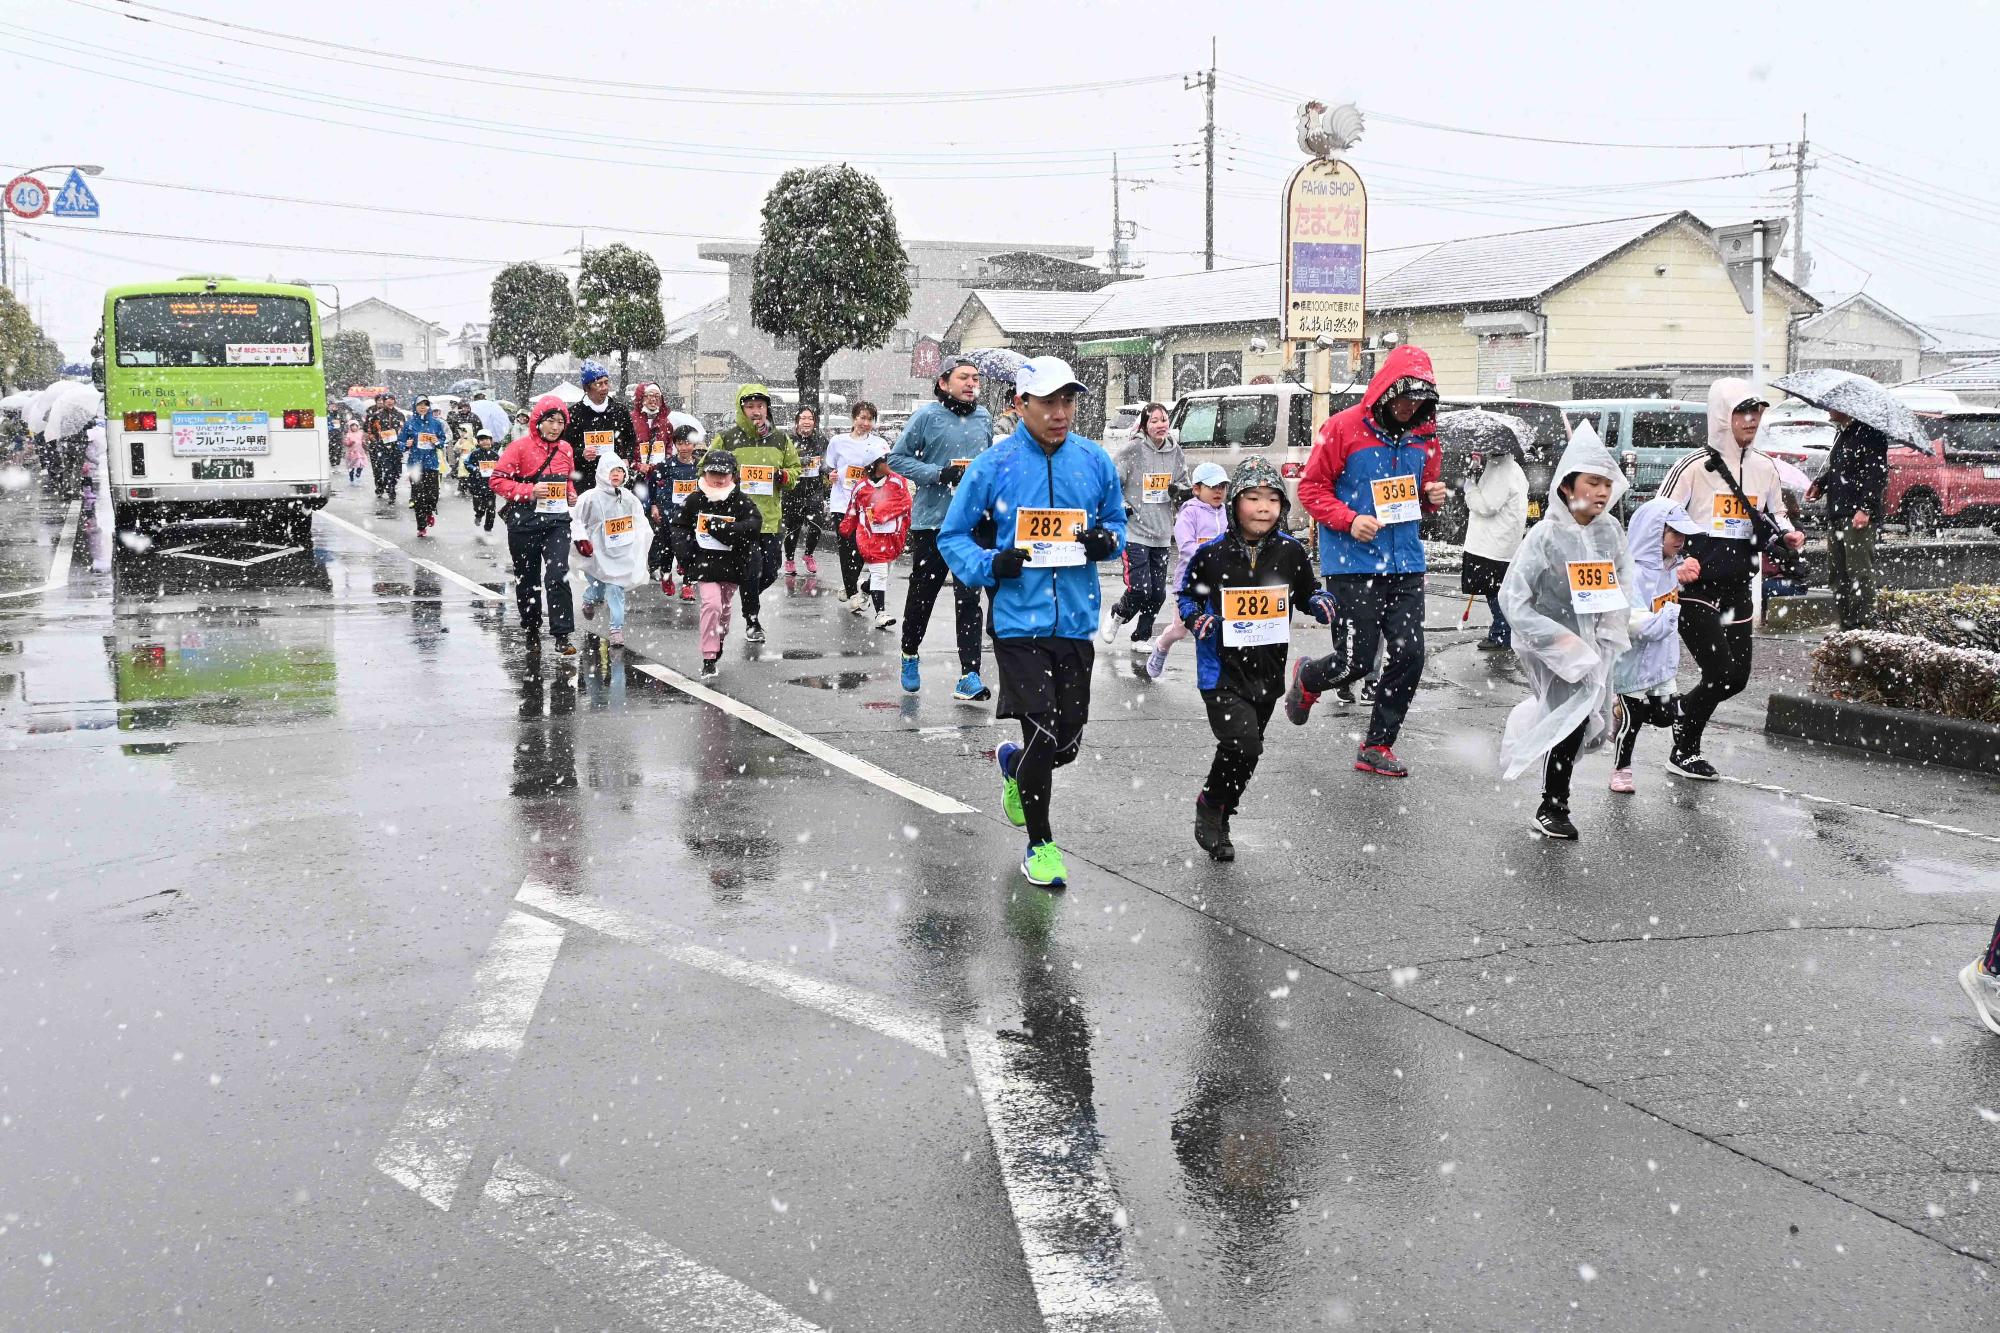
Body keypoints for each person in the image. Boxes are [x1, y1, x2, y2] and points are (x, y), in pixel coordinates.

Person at [940, 356, 1125, 890]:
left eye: (1068, 400)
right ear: (1020, 405)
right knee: (1044, 732)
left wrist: (1106, 541)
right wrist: (989, 565)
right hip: (1019, 622)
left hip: (1075, 620)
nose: (1060, 412)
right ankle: (1041, 846)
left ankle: (1013, 764)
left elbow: (1116, 524)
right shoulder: (993, 466)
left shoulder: (1093, 461)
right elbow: (954, 536)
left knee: (1066, 744)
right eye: (1048, 402)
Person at [1284, 345, 1448, 778]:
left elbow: (1421, 491)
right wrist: (1349, 519)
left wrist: (1432, 496)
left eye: (1417, 399)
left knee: (1410, 655)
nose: (1408, 406)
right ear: (1384, 389)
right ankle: (1308, 679)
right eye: (1402, 396)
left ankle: (1377, 745)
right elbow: (1311, 489)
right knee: (1355, 660)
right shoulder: (1342, 428)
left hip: (1406, 562)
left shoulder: (1426, 436)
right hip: (1352, 563)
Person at [1175, 457, 1333, 861]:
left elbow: (1305, 592)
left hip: (1266, 672)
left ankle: (1223, 815)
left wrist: (1318, 602)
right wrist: (1200, 618)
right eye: (1253, 497)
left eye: (1273, 499)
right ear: (1234, 504)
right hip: (1220, 670)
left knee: (1248, 751)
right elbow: (1188, 599)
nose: (1264, 507)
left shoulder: (1291, 552)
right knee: (1242, 744)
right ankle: (1210, 805)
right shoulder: (1211, 555)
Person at [1496, 424, 1637, 840]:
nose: (1601, 492)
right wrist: (1554, 640)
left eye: (1607, 484)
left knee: (1591, 724)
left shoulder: (1610, 531)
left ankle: (1550, 784)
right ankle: (1552, 806)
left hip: (1597, 644)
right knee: (1571, 720)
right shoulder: (1545, 536)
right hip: (1555, 647)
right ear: (1566, 484)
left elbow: (1623, 579)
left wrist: (1612, 628)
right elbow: (1514, 598)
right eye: (1592, 481)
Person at [1659, 378, 1804, 780]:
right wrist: (1678, 559)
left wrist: (1789, 533)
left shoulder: (1765, 468)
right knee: (1719, 671)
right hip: (1696, 587)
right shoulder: (1691, 467)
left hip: (1739, 585)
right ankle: (1685, 744)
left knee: (1736, 679)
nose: (1752, 419)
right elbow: (1658, 520)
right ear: (1723, 415)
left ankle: (1679, 715)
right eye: (1743, 411)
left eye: (1757, 412)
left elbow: (1777, 515)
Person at [890, 357, 996, 699]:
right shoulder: (926, 417)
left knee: (969, 599)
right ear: (943, 382)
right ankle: (909, 652)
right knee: (923, 595)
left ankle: (969, 674)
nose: (971, 383)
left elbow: (987, 464)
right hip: (933, 521)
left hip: (972, 524)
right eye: (963, 377)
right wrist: (938, 474)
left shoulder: (984, 418)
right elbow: (897, 459)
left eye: (975, 378)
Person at [1609, 496, 1703, 793]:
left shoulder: (1670, 568)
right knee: (1633, 722)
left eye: (1683, 533)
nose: (1681, 540)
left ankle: (1617, 713)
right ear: (1654, 532)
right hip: (1633, 662)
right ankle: (1621, 770)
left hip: (1661, 660)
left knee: (1667, 715)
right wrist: (1671, 614)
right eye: (1673, 532)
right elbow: (1634, 622)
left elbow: (1665, 608)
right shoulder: (1632, 573)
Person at [490, 394, 580, 658]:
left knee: (558, 574)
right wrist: (528, 490)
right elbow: (497, 481)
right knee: (527, 579)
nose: (555, 427)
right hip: (524, 522)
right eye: (550, 421)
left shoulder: (565, 448)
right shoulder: (518, 447)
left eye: (560, 422)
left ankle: (562, 634)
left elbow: (567, 480)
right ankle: (531, 627)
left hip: (557, 523)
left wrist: (571, 493)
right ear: (538, 421)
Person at [708, 384, 798, 644]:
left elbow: (794, 470)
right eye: (750, 407)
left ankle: (748, 596)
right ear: (741, 409)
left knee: (771, 570)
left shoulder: (781, 439)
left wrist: (784, 476)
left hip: (770, 517)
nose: (756, 412)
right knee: (752, 569)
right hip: (741, 518)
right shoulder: (727, 438)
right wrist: (728, 476)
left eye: (760, 406)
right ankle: (752, 620)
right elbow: (706, 467)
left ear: (767, 408)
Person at [1102, 402, 1189, 651]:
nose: (1160, 424)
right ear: (1144, 425)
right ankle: (1118, 614)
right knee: (1140, 589)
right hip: (1135, 530)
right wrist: (1121, 504)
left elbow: (1184, 481)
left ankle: (1141, 637)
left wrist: (1179, 492)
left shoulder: (1176, 452)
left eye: (1164, 419)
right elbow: (1111, 481)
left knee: (1158, 594)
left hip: (1162, 531)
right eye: (1154, 420)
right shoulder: (1133, 450)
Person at [675, 450, 764, 679]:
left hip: (733, 564)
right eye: (713, 472)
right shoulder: (695, 499)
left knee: (723, 609)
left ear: (733, 475)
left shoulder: (741, 500)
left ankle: (719, 640)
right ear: (705, 472)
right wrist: (685, 554)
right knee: (711, 605)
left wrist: (724, 529)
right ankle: (708, 655)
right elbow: (679, 527)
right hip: (704, 563)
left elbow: (754, 526)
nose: (719, 478)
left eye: (724, 474)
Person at [1807, 409, 1890, 630]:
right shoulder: (1843, 434)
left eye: (1832, 406)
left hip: (1856, 516)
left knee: (1859, 571)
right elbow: (1840, 469)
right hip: (1837, 513)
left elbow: (1877, 474)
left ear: (1847, 408)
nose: (1828, 410)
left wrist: (1866, 508)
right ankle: (1846, 624)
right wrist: (1821, 484)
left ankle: (1861, 625)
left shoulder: (1871, 434)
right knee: (1837, 573)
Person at [1146, 461, 1231, 679]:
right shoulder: (1189, 513)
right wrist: (1211, 556)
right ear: (1196, 489)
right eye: (1212, 487)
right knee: (1181, 630)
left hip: (1219, 582)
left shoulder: (1225, 513)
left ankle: (1220, 674)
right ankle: (1161, 646)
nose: (1218, 491)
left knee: (1219, 628)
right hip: (1189, 582)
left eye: (1222, 486)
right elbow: (1185, 547)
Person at [572, 456, 653, 649]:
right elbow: (575, 520)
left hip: (620, 553)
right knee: (599, 589)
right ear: (601, 473)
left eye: (619, 471)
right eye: (611, 471)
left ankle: (616, 630)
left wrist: (639, 543)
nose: (616, 474)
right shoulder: (589, 497)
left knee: (616, 589)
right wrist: (581, 538)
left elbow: (640, 522)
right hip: (597, 554)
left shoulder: (629, 498)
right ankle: (589, 599)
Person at [1460, 430, 1529, 652]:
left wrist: (1469, 488)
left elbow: (1487, 505)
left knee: (1494, 592)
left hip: (1493, 545)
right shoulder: (1507, 466)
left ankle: (1502, 634)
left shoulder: (1502, 470)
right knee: (1498, 590)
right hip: (1500, 542)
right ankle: (1502, 631)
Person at [825, 402, 891, 608]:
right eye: (862, 418)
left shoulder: (880, 444)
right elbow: (829, 467)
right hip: (842, 503)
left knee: (863, 548)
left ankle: (851, 584)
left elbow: (885, 471)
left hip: (868, 505)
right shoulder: (838, 441)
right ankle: (853, 593)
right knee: (846, 547)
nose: (865, 423)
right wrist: (830, 475)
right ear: (853, 418)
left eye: (870, 419)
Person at [840, 453, 913, 630]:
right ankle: (881, 613)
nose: (890, 463)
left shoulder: (897, 481)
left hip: (892, 536)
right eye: (884, 460)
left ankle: (864, 590)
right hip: (869, 536)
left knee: (883, 572)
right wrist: (846, 529)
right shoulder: (861, 487)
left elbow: (906, 502)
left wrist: (884, 513)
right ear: (874, 464)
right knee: (880, 573)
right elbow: (853, 510)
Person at [564, 360, 637, 492]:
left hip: (615, 477)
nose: (604, 388)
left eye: (606, 382)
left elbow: (631, 439)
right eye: (598, 384)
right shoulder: (574, 413)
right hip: (585, 479)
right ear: (587, 388)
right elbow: (565, 446)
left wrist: (627, 458)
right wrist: (581, 453)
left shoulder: (619, 411)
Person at [651, 424, 703, 599]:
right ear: (675, 445)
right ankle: (666, 575)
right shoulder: (667, 465)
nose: (684, 448)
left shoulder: (700, 466)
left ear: (694, 445)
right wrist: (654, 505)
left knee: (692, 547)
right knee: (668, 547)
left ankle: (688, 584)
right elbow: (653, 482)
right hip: (670, 514)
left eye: (688, 443)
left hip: (692, 515)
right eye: (680, 443)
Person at [782, 405, 831, 576]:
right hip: (792, 490)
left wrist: (830, 473)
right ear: (797, 421)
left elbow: (826, 464)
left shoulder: (821, 440)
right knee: (792, 528)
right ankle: (789, 559)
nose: (807, 421)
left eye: (810, 418)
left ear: (814, 422)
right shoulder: (787, 439)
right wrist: (797, 464)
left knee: (816, 526)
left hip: (814, 490)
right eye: (803, 418)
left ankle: (808, 555)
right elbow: (781, 462)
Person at [398, 394, 448, 536]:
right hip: (415, 464)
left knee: (433, 495)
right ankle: (421, 526)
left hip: (431, 463)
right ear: (415, 406)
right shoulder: (409, 424)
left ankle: (429, 511)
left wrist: (437, 441)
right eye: (420, 405)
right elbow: (400, 443)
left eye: (425, 405)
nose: (422, 407)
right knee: (418, 496)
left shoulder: (436, 423)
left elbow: (443, 441)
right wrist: (405, 445)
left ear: (429, 407)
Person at [364, 391, 405, 501]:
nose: (390, 403)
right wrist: (376, 441)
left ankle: (392, 484)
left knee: (397, 471)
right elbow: (370, 431)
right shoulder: (376, 415)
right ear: (384, 402)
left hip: (396, 447)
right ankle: (390, 490)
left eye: (392, 401)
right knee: (387, 470)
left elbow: (404, 430)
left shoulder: (400, 415)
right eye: (387, 401)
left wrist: (403, 441)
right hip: (382, 448)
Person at [464, 428, 504, 532]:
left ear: (491, 440)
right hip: (477, 485)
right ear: (478, 442)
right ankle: (479, 515)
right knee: (478, 506)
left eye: (487, 439)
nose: (485, 441)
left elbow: (501, 468)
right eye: (482, 440)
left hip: (491, 486)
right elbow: (467, 463)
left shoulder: (495, 455)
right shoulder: (474, 454)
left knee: (491, 510)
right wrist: (474, 469)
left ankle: (488, 529)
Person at [342, 414, 367, 487]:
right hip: (351, 453)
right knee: (351, 467)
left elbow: (363, 441)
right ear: (350, 427)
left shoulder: (360, 433)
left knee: (360, 464)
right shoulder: (348, 434)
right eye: (352, 426)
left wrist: (364, 443)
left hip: (360, 452)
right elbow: (345, 442)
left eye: (356, 426)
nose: (354, 427)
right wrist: (349, 442)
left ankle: (358, 475)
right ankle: (351, 478)